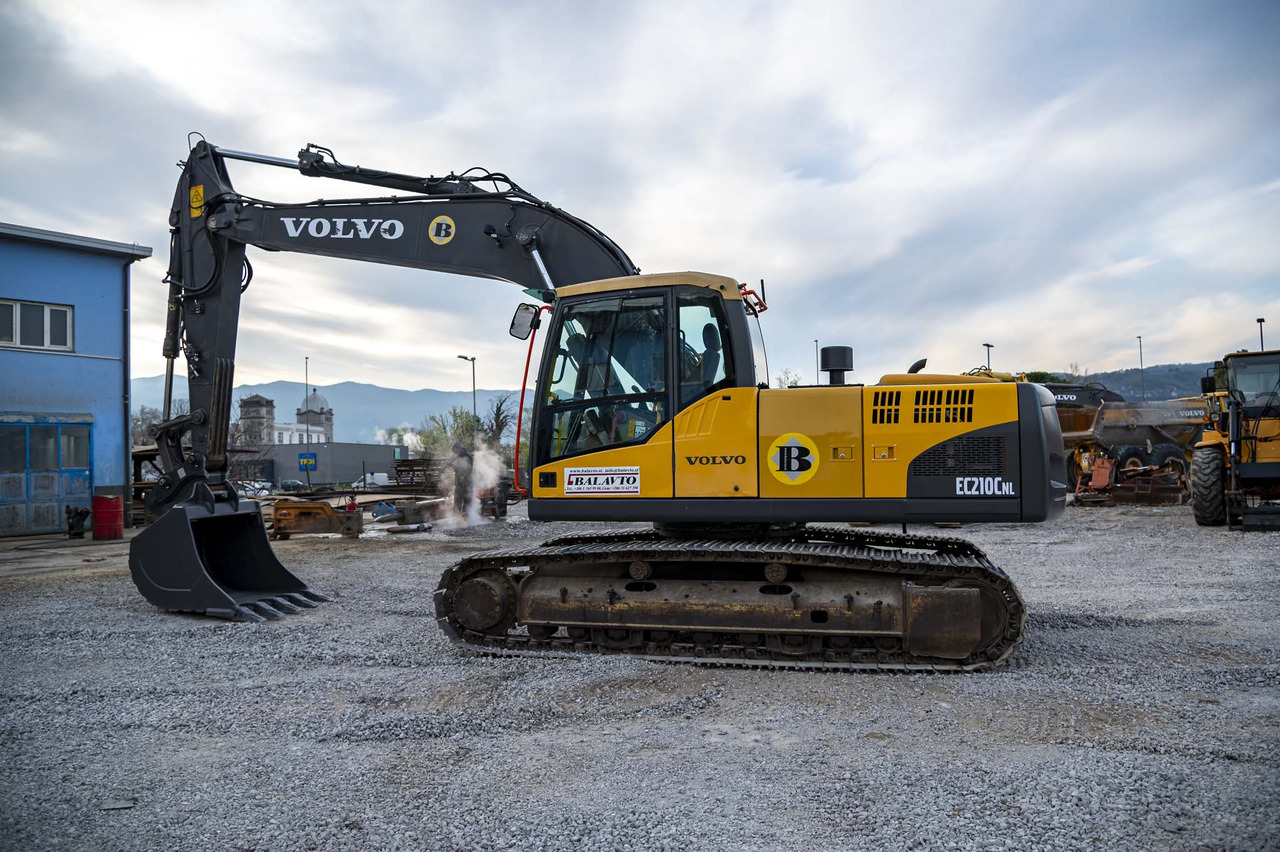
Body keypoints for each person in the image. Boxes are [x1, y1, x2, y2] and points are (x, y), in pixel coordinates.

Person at [452, 442, 473, 516]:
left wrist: (462, 477)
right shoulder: (458, 456)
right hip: (459, 483)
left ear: (459, 449)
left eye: (455, 451)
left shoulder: (467, 456)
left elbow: (468, 470)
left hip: (466, 483)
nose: (455, 453)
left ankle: (466, 520)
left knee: (466, 501)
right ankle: (456, 518)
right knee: (457, 500)